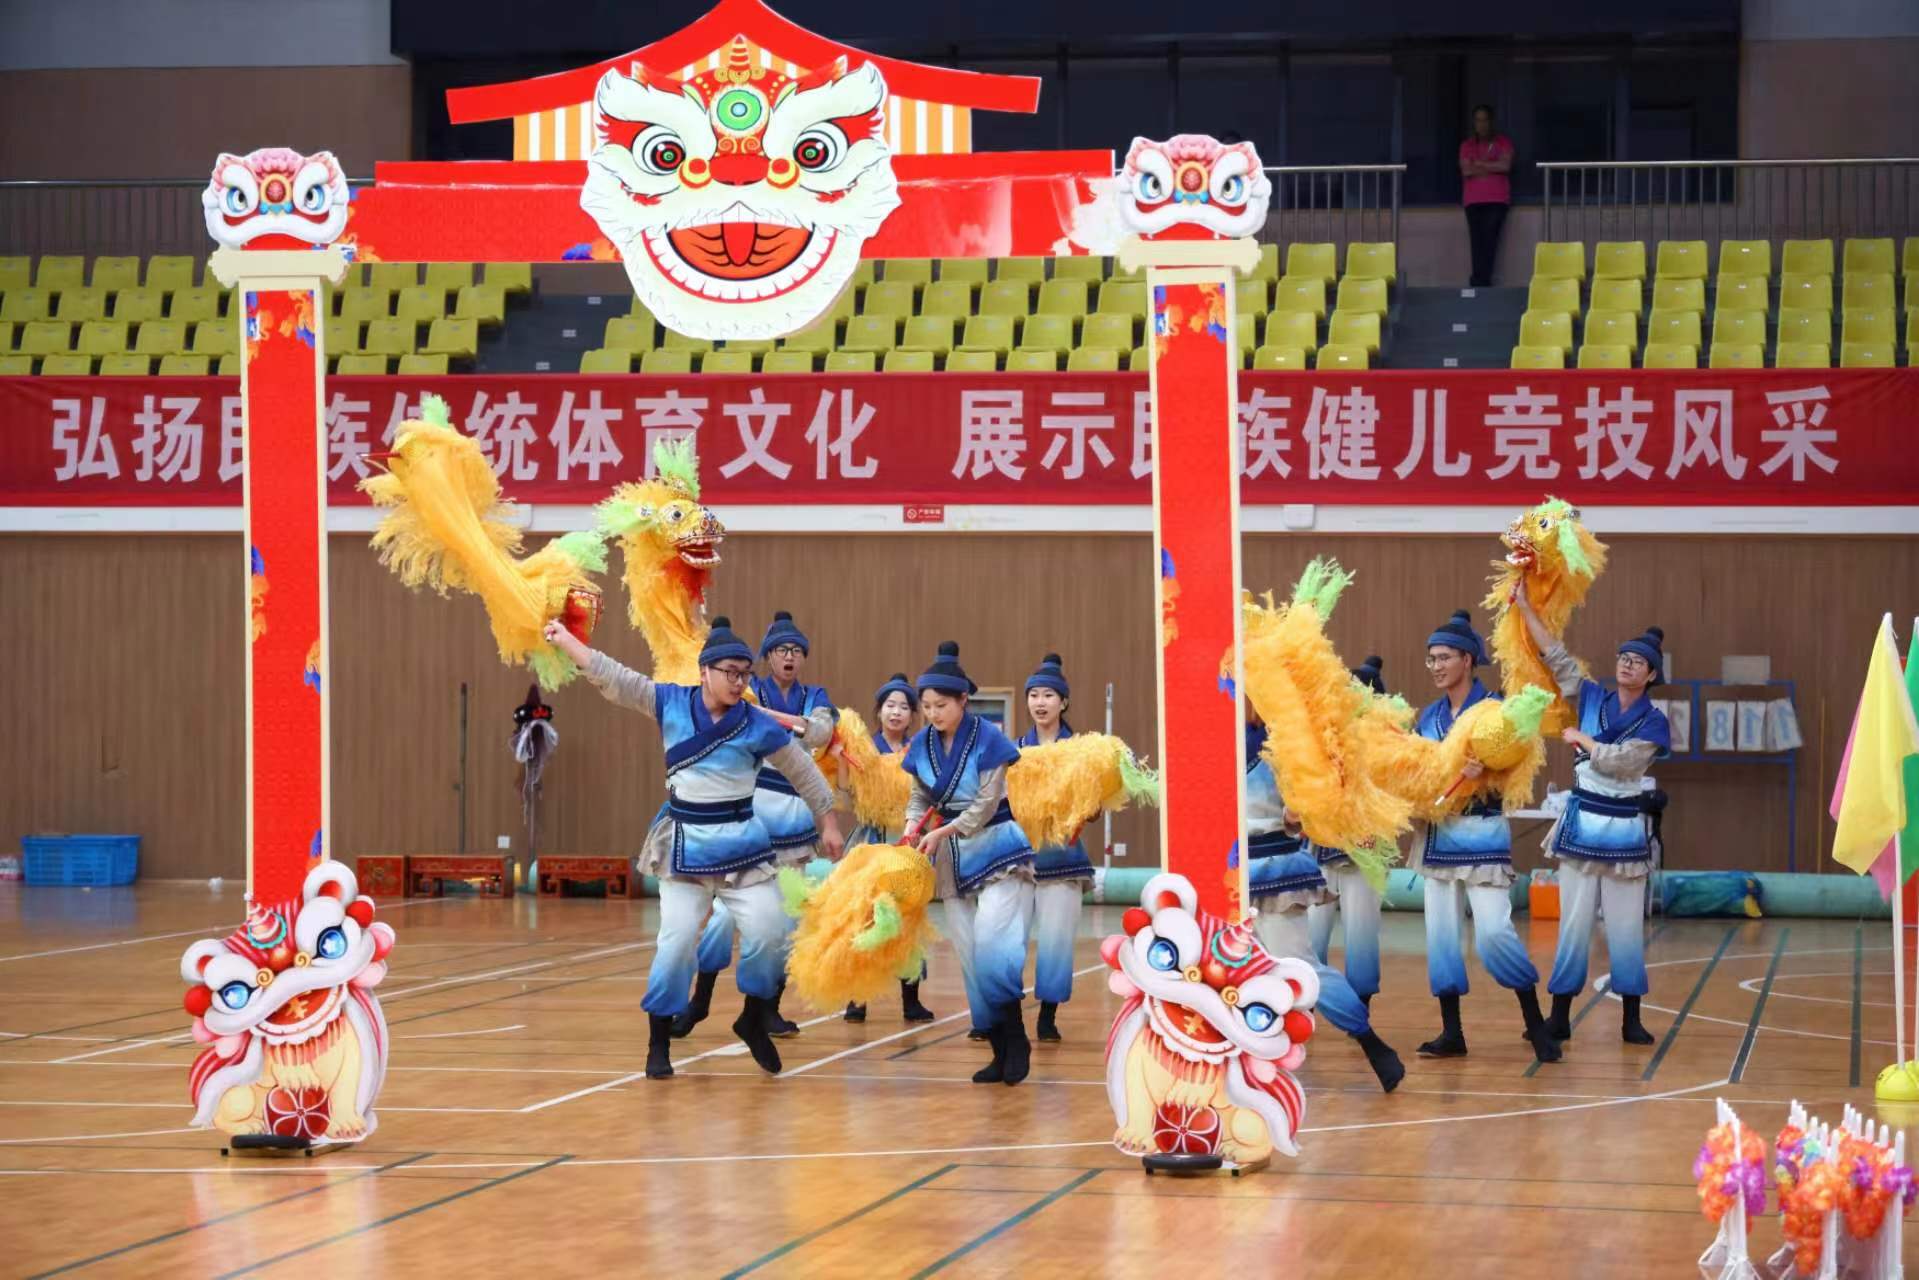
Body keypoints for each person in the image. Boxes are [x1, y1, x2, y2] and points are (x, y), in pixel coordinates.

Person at [541, 616, 843, 1080]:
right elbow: (614, 677)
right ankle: (659, 1040)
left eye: (744, 674)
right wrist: (567, 641)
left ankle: (752, 1017)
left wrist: (828, 820)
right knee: (677, 942)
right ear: (704, 671)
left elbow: (804, 771)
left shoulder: (757, 724)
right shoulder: (670, 703)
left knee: (771, 931)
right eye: (730, 672)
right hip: (685, 845)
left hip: (743, 847)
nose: (738, 682)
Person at [672, 611, 837, 1040]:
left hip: (795, 825)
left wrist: (771, 718)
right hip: (750, 824)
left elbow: (820, 732)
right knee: (723, 919)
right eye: (781, 650)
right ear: (767, 656)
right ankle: (699, 1001)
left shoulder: (813, 696)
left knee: (783, 926)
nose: (789, 657)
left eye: (796, 650)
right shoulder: (747, 689)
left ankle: (767, 1011)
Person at [1515, 596, 1671, 1047]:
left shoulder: (1654, 722)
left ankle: (1631, 1019)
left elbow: (1625, 763)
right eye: (1623, 657)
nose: (1626, 664)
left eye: (1637, 661)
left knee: (1625, 927)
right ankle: (1560, 1016)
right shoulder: (1591, 696)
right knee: (1573, 924)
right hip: (1582, 821)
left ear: (1651, 675)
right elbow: (1555, 655)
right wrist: (1524, 607)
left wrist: (1585, 741)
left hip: (1624, 829)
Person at [1411, 608, 1561, 1065]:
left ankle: (1536, 1023)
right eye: (1431, 658)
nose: (1436, 666)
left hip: (1483, 833)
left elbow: (1519, 770)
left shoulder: (1497, 710)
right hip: (1438, 836)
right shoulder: (1429, 717)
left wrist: (1490, 772)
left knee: (1495, 932)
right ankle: (1451, 1031)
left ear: (1468, 660)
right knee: (1441, 937)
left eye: (1444, 657)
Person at [1246, 709, 1406, 1093]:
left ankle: (1368, 1039)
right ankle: (1254, 1056)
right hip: (1228, 873)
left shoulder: (1286, 738)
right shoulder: (1216, 737)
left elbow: (1305, 812)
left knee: (1302, 968)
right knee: (1238, 970)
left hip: (1274, 867)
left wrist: (1296, 815)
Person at [904, 641, 1036, 1086]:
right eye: (926, 707)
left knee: (994, 943)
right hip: (953, 861)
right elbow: (918, 796)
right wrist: (912, 826)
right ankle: (997, 1047)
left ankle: (1016, 1037)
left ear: (963, 700)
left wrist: (940, 832)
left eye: (941, 705)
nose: (933, 714)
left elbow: (986, 803)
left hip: (998, 848)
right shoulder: (922, 743)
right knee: (969, 954)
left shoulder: (990, 739)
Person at [843, 672, 936, 1025]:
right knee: (865, 917)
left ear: (912, 715)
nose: (896, 712)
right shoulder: (865, 751)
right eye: (890, 706)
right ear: (879, 711)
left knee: (908, 920)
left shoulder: (920, 750)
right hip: (872, 841)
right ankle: (857, 998)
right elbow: (846, 790)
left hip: (908, 844)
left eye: (903, 707)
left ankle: (911, 1000)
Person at [1016, 654, 1092, 1044]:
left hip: (1064, 859)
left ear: (1064, 702)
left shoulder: (1081, 751)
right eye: (1034, 695)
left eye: (1048, 695)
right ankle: (1002, 1012)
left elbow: (1094, 806)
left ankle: (1047, 1015)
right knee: (1006, 940)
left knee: (1056, 941)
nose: (1040, 702)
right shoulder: (1014, 749)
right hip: (1017, 861)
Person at [1306, 656, 1387, 1007]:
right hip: (1322, 849)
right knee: (1310, 933)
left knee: (1362, 932)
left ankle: (1361, 1006)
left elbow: (1394, 795)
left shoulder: (1387, 743)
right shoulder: (1325, 738)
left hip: (1366, 851)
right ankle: (1306, 1002)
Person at [1460, 104, 1513, 288]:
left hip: (1497, 199)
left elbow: (1505, 166)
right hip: (1473, 200)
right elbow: (1466, 170)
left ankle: (1484, 281)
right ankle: (1478, 281)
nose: (1481, 124)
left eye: (1485, 120)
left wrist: (1479, 164)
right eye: (1478, 120)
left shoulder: (1503, 142)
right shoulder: (1467, 145)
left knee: (1490, 239)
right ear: (1474, 123)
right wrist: (1492, 165)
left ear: (1491, 122)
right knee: (1477, 240)